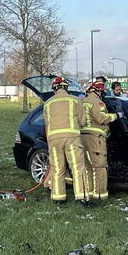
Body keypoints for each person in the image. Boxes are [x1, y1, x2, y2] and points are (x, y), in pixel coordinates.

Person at [42, 75, 88, 205]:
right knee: (77, 167)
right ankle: (81, 197)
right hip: (71, 138)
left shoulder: (47, 103)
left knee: (57, 169)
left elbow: (46, 122)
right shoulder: (74, 100)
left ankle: (58, 198)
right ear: (67, 88)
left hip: (53, 140)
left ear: (54, 89)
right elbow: (82, 121)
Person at [81, 80, 120, 202]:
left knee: (88, 167)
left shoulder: (82, 101)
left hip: (83, 137)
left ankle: (90, 193)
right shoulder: (98, 102)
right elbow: (101, 118)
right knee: (100, 167)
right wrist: (116, 116)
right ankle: (101, 196)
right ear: (98, 91)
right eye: (102, 92)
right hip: (95, 138)